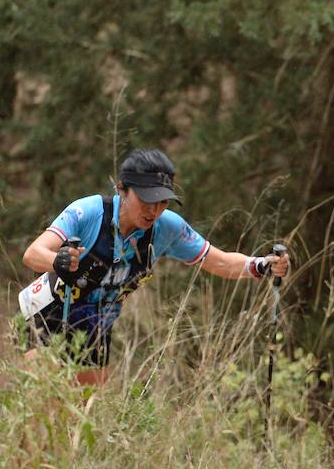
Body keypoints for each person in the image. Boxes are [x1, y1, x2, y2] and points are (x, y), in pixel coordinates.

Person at [17, 149, 289, 385]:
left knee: (81, 417)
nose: (154, 210)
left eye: (162, 201)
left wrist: (260, 265)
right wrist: (57, 261)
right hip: (48, 313)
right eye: (146, 199)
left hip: (95, 325)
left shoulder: (167, 227)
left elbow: (218, 261)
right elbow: (33, 254)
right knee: (43, 411)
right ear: (122, 189)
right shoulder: (89, 211)